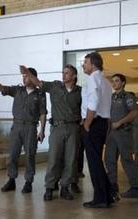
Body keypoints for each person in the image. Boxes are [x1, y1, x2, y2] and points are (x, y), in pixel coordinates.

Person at [20, 64, 81, 201]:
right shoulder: (55, 87)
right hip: (57, 128)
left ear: (74, 76)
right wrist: (28, 74)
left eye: (67, 73)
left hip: (73, 128)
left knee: (70, 160)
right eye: (63, 72)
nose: (64, 75)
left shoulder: (79, 91)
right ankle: (49, 187)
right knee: (53, 158)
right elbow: (39, 83)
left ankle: (65, 187)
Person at [0, 67, 47, 193]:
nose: (23, 78)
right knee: (12, 155)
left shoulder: (40, 94)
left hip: (30, 127)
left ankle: (28, 182)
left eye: (26, 76)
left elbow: (43, 113)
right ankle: (11, 180)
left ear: (33, 77)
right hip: (16, 126)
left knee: (30, 155)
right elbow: (2, 88)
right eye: (23, 76)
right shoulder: (18, 90)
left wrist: (42, 130)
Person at [81, 52, 114, 208]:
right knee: (97, 161)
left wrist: (87, 124)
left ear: (93, 64)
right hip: (102, 123)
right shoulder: (106, 81)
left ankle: (101, 198)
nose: (83, 65)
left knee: (94, 163)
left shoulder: (93, 78)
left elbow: (93, 102)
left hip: (94, 123)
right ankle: (108, 195)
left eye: (85, 62)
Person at [105, 74, 138, 199]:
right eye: (113, 81)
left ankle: (135, 188)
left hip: (123, 132)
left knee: (126, 160)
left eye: (117, 81)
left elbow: (134, 112)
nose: (114, 83)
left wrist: (120, 122)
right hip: (111, 134)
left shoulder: (128, 97)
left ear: (123, 83)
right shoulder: (112, 97)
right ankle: (112, 185)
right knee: (109, 159)